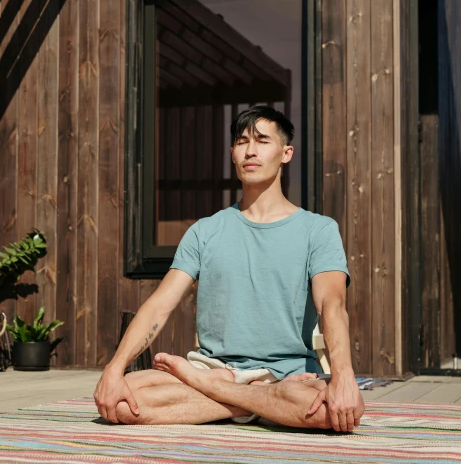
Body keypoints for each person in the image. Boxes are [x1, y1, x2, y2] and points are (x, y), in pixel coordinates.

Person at [94, 105, 365, 432]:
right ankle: (258, 402)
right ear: (233, 153)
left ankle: (224, 394)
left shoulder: (318, 230)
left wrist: (344, 375)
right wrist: (114, 368)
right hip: (212, 367)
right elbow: (159, 305)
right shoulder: (204, 231)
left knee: (336, 412)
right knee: (121, 401)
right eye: (242, 141)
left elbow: (331, 305)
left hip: (286, 374)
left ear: (286, 153)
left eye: (263, 141)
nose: (251, 150)